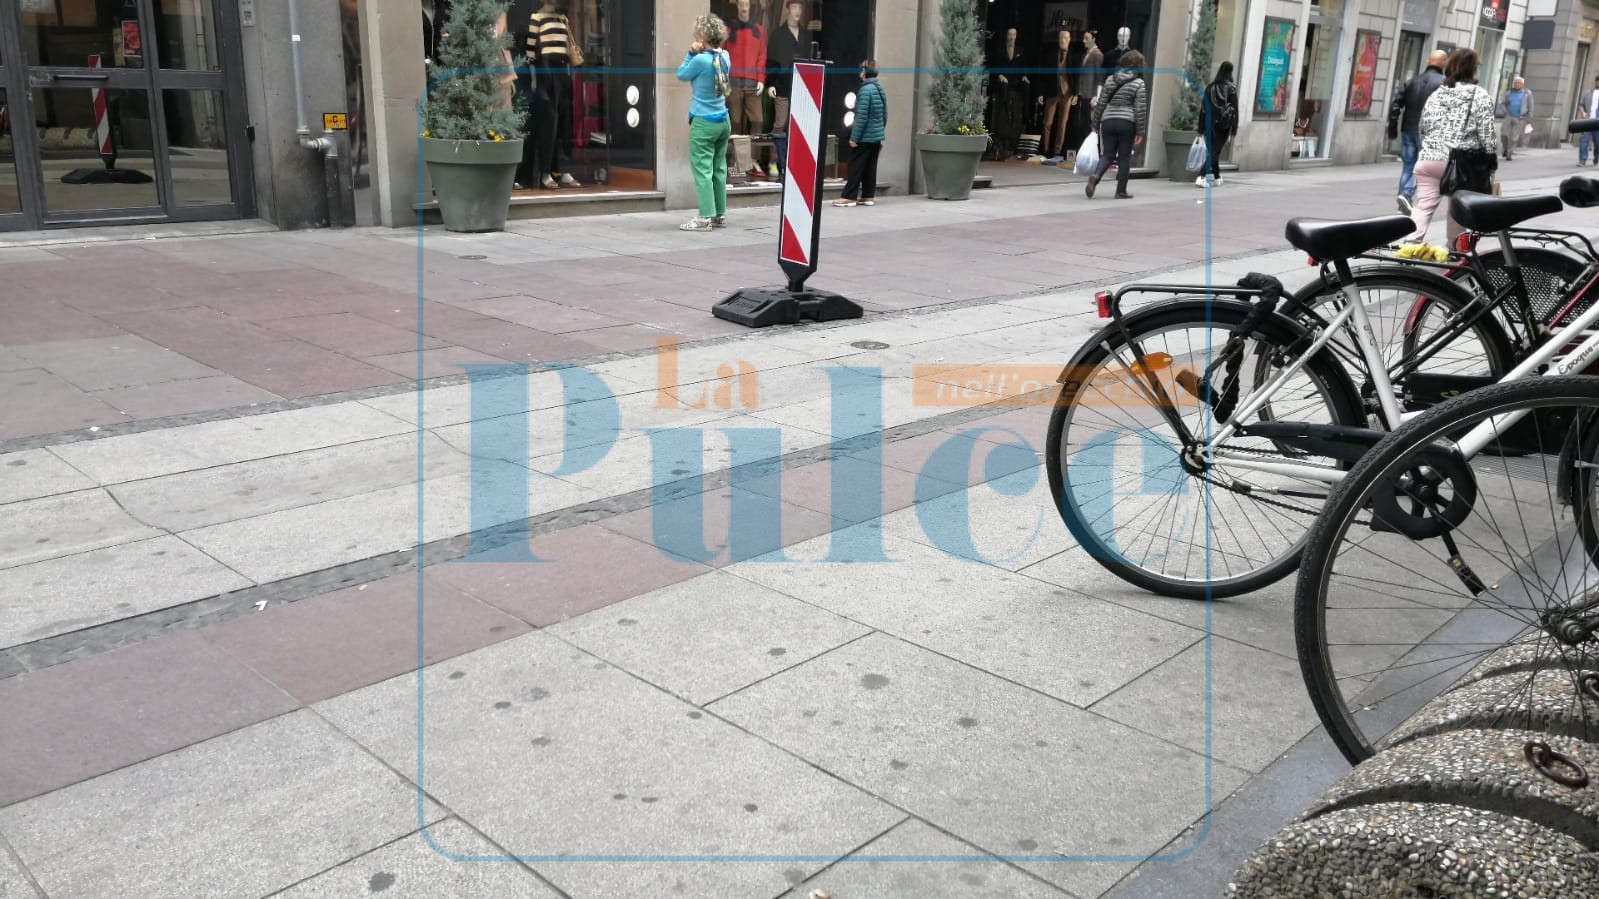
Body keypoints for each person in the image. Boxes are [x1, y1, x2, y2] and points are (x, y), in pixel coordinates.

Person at [1407, 49, 1495, 243]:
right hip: (1460, 163)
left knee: (1423, 207)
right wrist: (1491, 160)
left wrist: (1430, 148)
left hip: (1429, 159)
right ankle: (1456, 252)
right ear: (1473, 70)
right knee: (1458, 210)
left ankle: (1409, 247)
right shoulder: (1480, 95)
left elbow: (1423, 126)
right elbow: (1487, 133)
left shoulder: (1438, 94)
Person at [676, 14, 732, 232]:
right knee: (719, 168)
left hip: (704, 122)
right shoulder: (725, 56)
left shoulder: (700, 60)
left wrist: (691, 52)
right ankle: (720, 214)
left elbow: (681, 74)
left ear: (701, 37)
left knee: (703, 170)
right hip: (723, 119)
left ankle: (704, 218)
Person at [1390, 50, 1447, 213]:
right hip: (1429, 132)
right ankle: (1406, 195)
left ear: (1428, 61)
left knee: (1408, 165)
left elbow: (1396, 105)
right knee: (1422, 166)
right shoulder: (1444, 83)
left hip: (1408, 129)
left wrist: (1392, 129)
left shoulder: (1411, 81)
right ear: (1444, 63)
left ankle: (1403, 201)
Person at [1086, 49, 1146, 200]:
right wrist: (1140, 131)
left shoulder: (1110, 80)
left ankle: (1095, 176)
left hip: (1108, 121)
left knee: (1107, 154)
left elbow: (1101, 103)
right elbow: (1140, 109)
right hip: (1127, 123)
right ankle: (1120, 191)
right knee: (1124, 157)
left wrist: (1095, 123)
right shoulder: (1139, 83)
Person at [835, 59, 886, 207]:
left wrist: (854, 138)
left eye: (861, 70)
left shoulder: (865, 90)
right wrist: (879, 130)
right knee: (870, 167)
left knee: (855, 166)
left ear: (865, 72)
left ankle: (849, 196)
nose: (860, 72)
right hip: (876, 137)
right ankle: (868, 196)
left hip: (864, 137)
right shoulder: (879, 89)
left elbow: (861, 117)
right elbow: (885, 115)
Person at [1196, 61, 1239, 188]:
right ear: (1230, 72)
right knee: (1214, 151)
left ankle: (1217, 176)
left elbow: (1203, 109)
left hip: (1209, 123)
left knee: (1214, 151)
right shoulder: (1231, 88)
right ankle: (1202, 176)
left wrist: (1201, 128)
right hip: (1223, 125)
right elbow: (1235, 110)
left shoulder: (1210, 87)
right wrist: (1234, 128)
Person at [1494, 76, 1533, 161]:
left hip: (1520, 118)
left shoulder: (1527, 94)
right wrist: (1505, 111)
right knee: (1504, 134)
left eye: (1519, 83)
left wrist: (1529, 118)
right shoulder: (1509, 93)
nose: (1517, 84)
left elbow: (1531, 106)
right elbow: (1502, 103)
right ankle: (1506, 148)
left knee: (1514, 137)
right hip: (1509, 116)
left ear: (1522, 85)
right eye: (1515, 83)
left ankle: (1509, 153)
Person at [1578, 75, 1599, 165]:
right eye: (1597, 81)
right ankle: (1582, 159)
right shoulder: (1588, 93)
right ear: (1595, 82)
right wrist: (1583, 112)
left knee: (1597, 142)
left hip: (1597, 122)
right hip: (1587, 121)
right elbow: (1581, 105)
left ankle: (1596, 156)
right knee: (1584, 140)